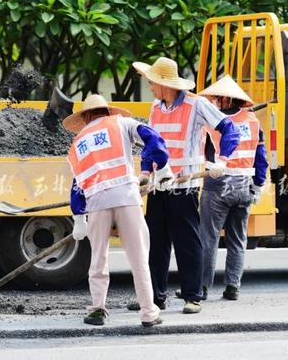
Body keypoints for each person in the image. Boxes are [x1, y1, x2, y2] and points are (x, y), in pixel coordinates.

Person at [129, 57, 240, 314]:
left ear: (162, 83)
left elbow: (229, 129)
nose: (150, 87)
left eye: (151, 82)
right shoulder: (156, 107)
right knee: (156, 242)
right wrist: (145, 172)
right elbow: (151, 144)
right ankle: (155, 296)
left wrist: (221, 160)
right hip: (159, 185)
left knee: (186, 242)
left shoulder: (196, 104)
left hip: (183, 186)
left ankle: (193, 296)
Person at [64, 94, 172, 327]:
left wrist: (78, 217)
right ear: (107, 111)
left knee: (98, 258)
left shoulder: (78, 142)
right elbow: (153, 138)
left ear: (86, 117)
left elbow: (77, 184)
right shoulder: (122, 123)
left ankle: (97, 310)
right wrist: (161, 165)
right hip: (126, 197)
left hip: (96, 202)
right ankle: (148, 313)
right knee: (139, 257)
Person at [198, 75, 268, 300]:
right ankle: (233, 287)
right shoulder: (253, 121)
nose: (214, 101)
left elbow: (207, 156)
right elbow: (261, 158)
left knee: (208, 237)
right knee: (238, 239)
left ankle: (202, 287)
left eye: (217, 98)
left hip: (218, 184)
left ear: (226, 99)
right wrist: (258, 186)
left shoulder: (213, 124)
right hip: (244, 186)